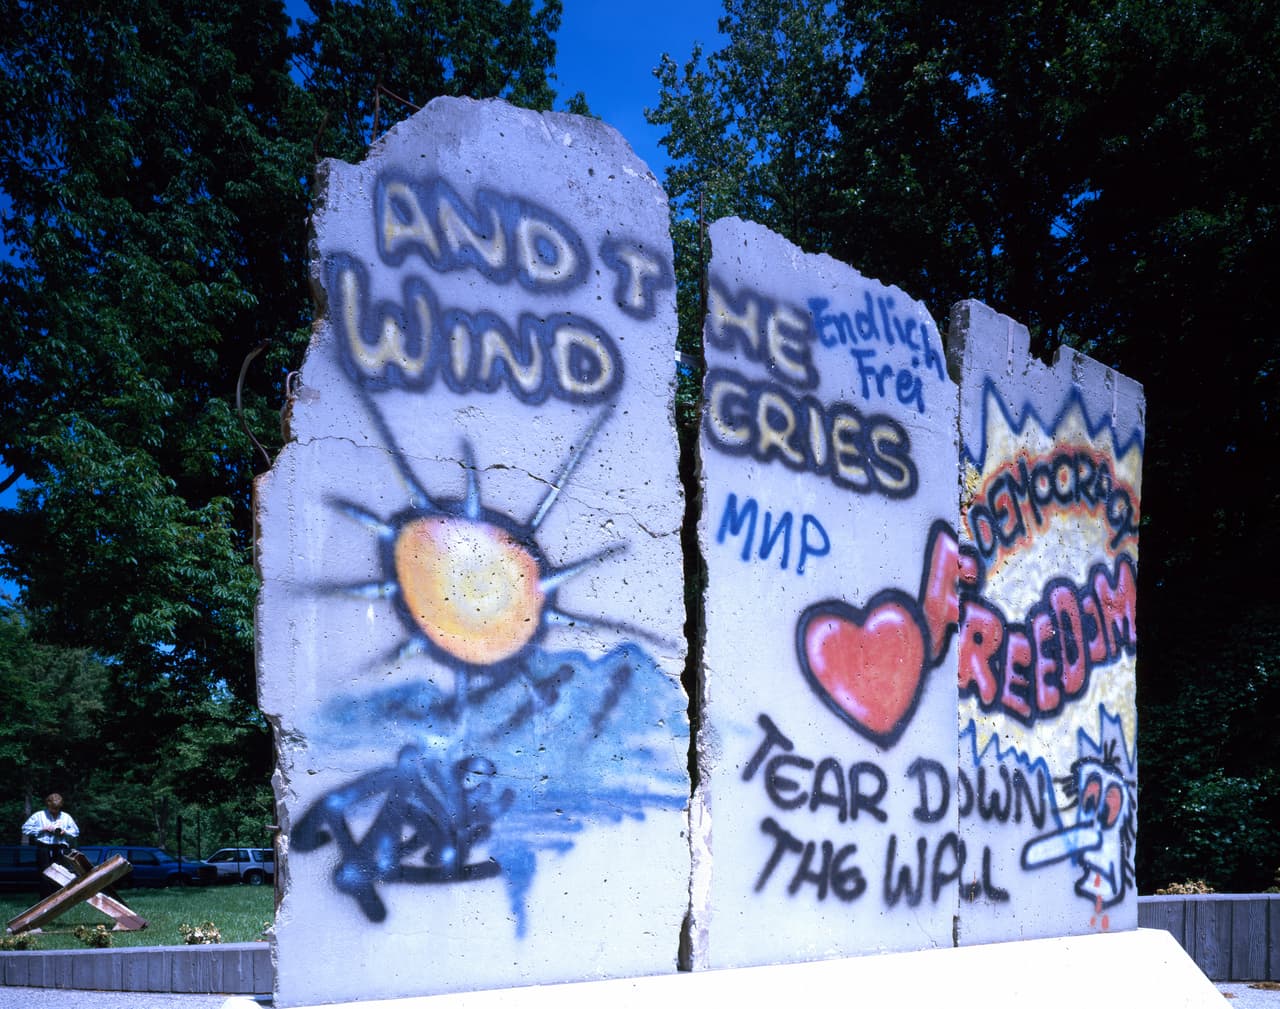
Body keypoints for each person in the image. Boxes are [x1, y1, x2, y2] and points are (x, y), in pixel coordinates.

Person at [21, 792, 80, 893]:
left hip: (60, 848)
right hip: (44, 848)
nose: (55, 811)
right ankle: (45, 899)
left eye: (57, 809)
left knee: (60, 874)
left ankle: (59, 898)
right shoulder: (39, 816)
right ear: (48, 805)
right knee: (45, 874)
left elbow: (76, 832)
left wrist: (65, 832)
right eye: (53, 809)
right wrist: (42, 829)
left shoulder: (66, 817)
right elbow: (25, 829)